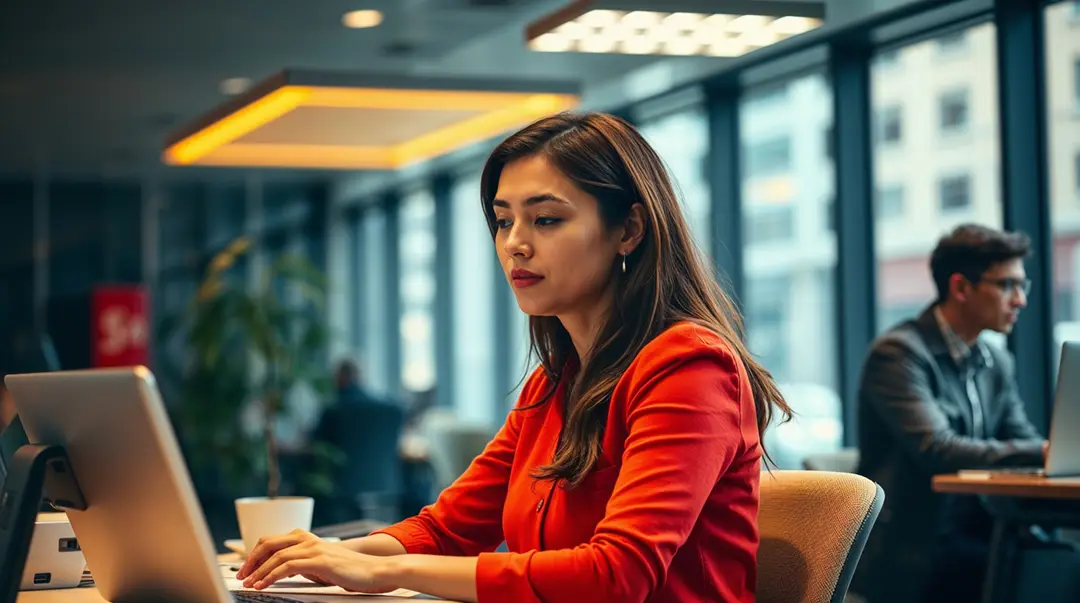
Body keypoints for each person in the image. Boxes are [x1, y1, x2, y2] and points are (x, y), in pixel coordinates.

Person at [236, 111, 791, 603]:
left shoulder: (690, 367)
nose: (514, 244)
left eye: (546, 219)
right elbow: (448, 529)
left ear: (629, 229)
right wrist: (326, 557)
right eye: (504, 221)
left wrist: (388, 572)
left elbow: (616, 576)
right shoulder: (554, 384)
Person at [852, 224, 1048, 603]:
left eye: (1024, 285)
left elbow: (1019, 435)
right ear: (961, 288)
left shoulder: (995, 361)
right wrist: (1043, 452)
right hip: (913, 547)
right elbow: (937, 450)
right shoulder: (898, 354)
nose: (1020, 300)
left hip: (976, 532)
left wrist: (1047, 451)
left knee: (1050, 559)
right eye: (1007, 285)